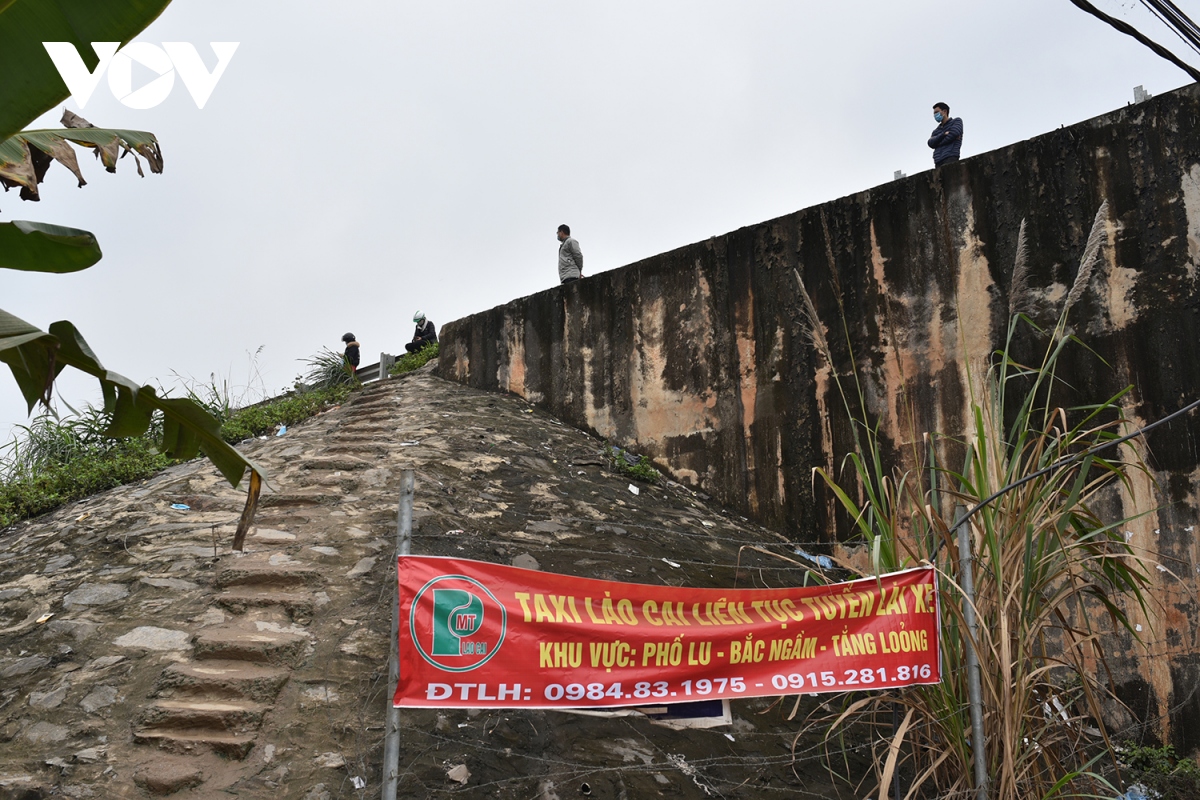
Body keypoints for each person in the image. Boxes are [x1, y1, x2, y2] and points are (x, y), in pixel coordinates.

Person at [928, 102, 963, 166]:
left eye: (937, 112)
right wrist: (943, 135)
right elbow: (930, 143)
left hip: (951, 157)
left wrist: (938, 143)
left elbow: (954, 134)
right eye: (934, 113)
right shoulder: (936, 131)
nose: (935, 115)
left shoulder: (956, 121)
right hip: (938, 160)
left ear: (944, 111)